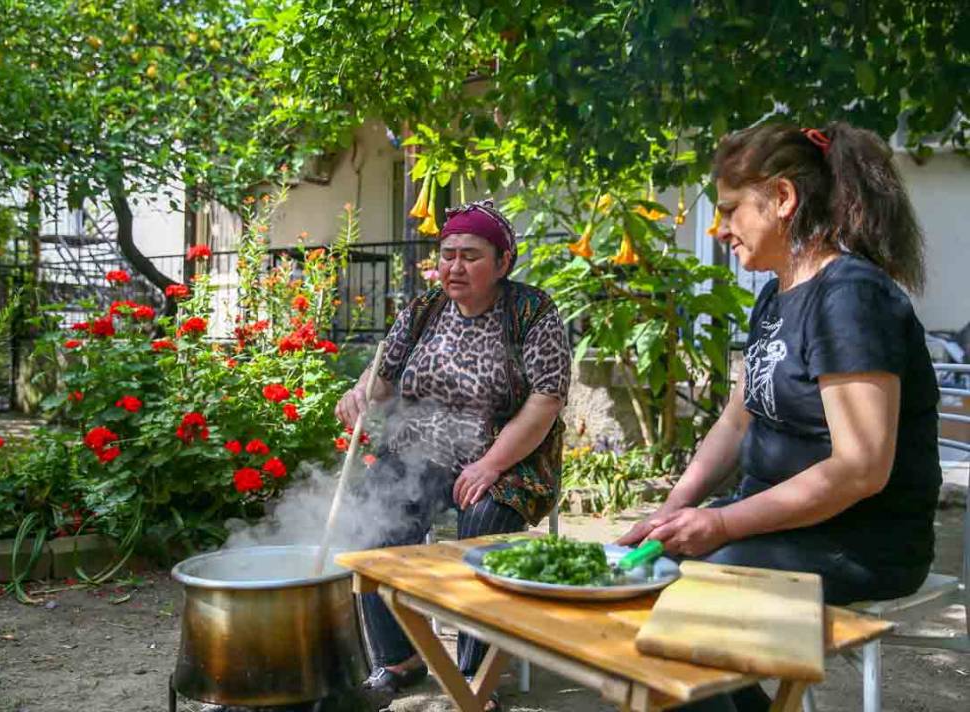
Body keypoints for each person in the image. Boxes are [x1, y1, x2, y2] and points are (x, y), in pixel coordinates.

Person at [618, 122, 940, 712]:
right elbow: (736, 422)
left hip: (859, 542)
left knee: (684, 606)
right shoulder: (775, 293)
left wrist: (721, 525)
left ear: (784, 200)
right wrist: (672, 510)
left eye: (732, 209)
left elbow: (860, 469)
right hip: (778, 529)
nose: (719, 229)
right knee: (635, 586)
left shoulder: (849, 297)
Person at [335, 200, 571, 711]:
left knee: (483, 520)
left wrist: (491, 464)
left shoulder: (532, 312)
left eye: (471, 255)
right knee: (371, 516)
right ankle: (399, 658)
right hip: (419, 454)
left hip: (506, 458)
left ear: (503, 262)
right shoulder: (422, 311)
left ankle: (474, 672)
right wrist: (359, 393)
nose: (455, 267)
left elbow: (546, 399)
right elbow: (383, 376)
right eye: (447, 255)